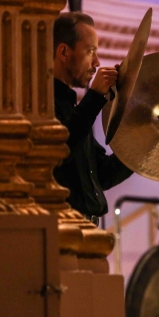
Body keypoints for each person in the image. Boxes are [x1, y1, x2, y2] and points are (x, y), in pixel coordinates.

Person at [52, 12, 133, 225]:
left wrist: (143, 144)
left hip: (88, 230)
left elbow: (102, 174)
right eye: (90, 51)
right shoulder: (44, 105)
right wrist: (95, 97)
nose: (97, 62)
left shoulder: (73, 108)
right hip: (67, 228)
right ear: (63, 52)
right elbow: (60, 151)